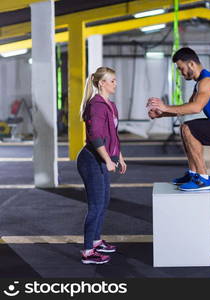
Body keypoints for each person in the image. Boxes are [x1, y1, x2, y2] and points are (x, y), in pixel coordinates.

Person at [147, 47, 210, 191]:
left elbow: (196, 108)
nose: (181, 73)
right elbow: (187, 108)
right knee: (185, 128)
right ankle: (193, 174)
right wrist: (162, 113)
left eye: (181, 68)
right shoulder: (200, 83)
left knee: (189, 128)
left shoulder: (207, 82)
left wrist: (165, 107)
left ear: (192, 64)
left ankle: (203, 179)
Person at [77, 67, 127, 264]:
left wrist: (119, 157)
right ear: (101, 84)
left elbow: (113, 135)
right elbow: (95, 136)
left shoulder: (111, 105)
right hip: (91, 160)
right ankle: (88, 251)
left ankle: (96, 241)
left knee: (103, 202)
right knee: (96, 205)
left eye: (115, 80)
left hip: (103, 158)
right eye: (112, 81)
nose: (115, 84)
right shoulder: (96, 105)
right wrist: (107, 160)